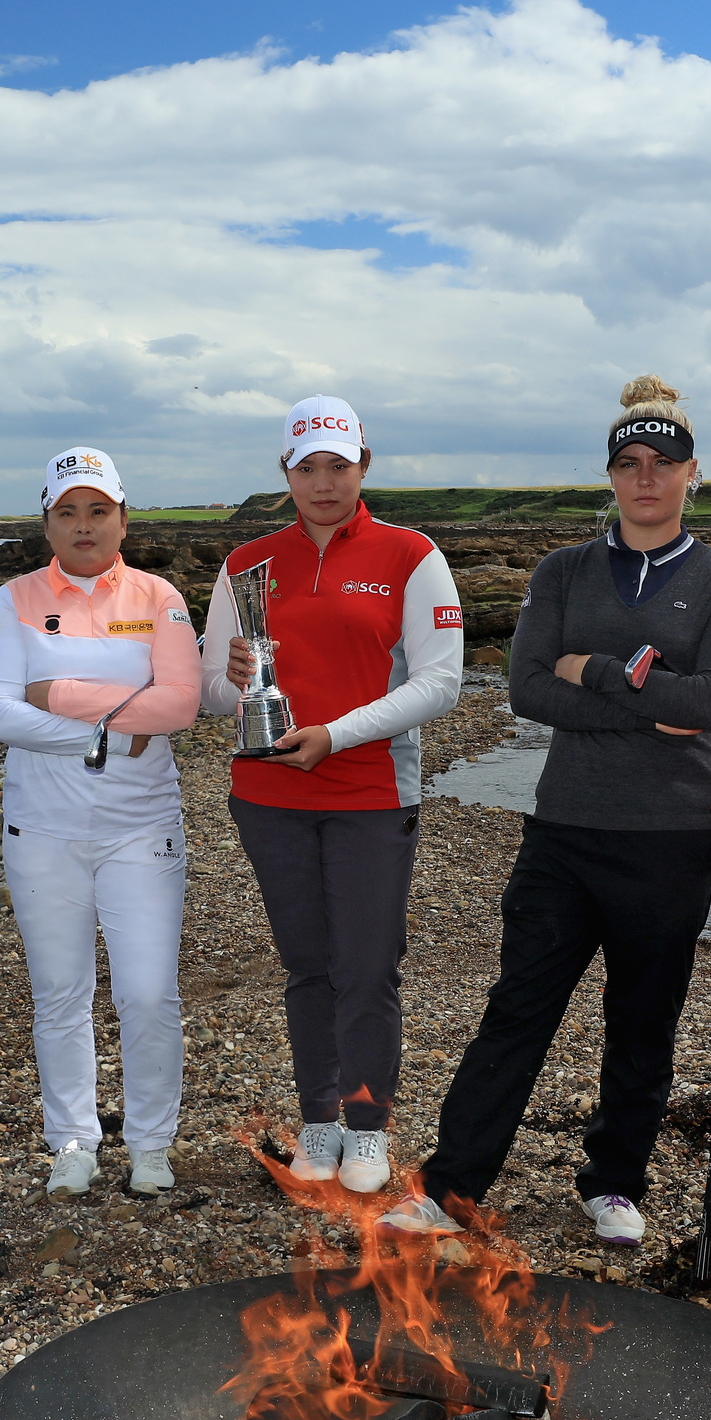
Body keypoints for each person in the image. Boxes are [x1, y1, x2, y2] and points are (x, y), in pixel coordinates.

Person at [384, 379, 711, 1249]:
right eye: (628, 464)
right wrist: (643, 693)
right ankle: (450, 1187)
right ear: (610, 477)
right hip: (564, 833)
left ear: (691, 473)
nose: (644, 479)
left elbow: (709, 703)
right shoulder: (562, 570)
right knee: (518, 1008)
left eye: (662, 464)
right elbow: (523, 690)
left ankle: (616, 1184)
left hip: (672, 838)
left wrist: (592, 669)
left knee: (642, 1020)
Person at [203, 397, 464, 1197]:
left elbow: (442, 683)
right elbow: (212, 692)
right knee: (306, 965)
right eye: (306, 467)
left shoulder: (410, 556)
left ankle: (366, 1127)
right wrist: (234, 679)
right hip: (268, 794)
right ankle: (317, 1120)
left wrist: (335, 734)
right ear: (285, 473)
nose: (322, 482)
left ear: (363, 465)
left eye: (337, 466)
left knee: (366, 967)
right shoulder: (247, 562)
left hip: (369, 791)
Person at [0, 447, 204, 1197]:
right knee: (61, 992)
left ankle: (149, 1143)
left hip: (142, 828)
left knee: (146, 992)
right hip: (41, 830)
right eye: (66, 511)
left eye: (97, 510)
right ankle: (72, 1139)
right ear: (46, 520)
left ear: (122, 518)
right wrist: (108, 730)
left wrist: (56, 693)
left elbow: (179, 705)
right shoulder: (13, 598)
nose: (82, 525)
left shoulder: (159, 596)